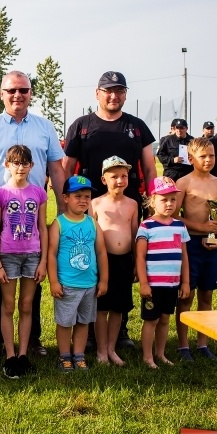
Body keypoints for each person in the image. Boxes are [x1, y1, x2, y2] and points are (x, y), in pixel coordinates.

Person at [0, 70, 66, 358]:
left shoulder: (44, 127)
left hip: (33, 207)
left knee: (30, 275)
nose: (17, 95)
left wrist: (62, 209)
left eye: (23, 90)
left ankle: (32, 339)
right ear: (1, 94)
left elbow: (56, 170)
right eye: (11, 90)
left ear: (30, 93)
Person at [64, 71, 157, 349]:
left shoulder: (137, 126)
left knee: (122, 265)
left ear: (125, 94)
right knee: (90, 265)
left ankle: (121, 330)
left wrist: (152, 205)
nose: (113, 96)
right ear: (97, 93)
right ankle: (90, 330)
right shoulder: (82, 125)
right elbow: (68, 168)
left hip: (128, 206)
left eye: (119, 91)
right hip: (90, 208)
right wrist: (65, 204)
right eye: (108, 91)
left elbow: (150, 167)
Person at [0, 145, 48, 378]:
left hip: (32, 254)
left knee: (26, 306)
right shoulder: (0, 194)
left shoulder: (39, 193)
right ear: (7, 165)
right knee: (8, 306)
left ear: (31, 166)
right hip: (8, 255)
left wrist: (43, 261)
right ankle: (10, 355)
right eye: (16, 163)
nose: (20, 167)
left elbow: (42, 228)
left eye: (25, 163)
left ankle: (23, 354)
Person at [173, 137, 217, 361]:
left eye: (212, 156)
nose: (208, 160)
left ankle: (202, 344)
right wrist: (199, 226)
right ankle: (183, 346)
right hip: (190, 246)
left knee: (206, 295)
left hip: (212, 246)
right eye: (203, 156)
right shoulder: (183, 183)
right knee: (186, 296)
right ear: (191, 159)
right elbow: (174, 216)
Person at [48, 175, 108, 372]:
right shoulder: (59, 224)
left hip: (89, 284)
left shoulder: (92, 223)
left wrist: (103, 280)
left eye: (87, 196)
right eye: (77, 196)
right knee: (65, 323)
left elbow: (100, 252)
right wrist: (54, 281)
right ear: (65, 198)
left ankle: (79, 355)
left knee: (83, 322)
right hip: (67, 285)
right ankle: (65, 356)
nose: (83, 200)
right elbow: (52, 253)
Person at [136, 177, 191, 368]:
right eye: (163, 199)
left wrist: (185, 282)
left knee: (165, 319)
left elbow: (184, 257)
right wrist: (144, 282)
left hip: (172, 283)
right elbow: (140, 257)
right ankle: (147, 356)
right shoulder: (146, 226)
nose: (169, 204)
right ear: (152, 201)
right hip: (153, 285)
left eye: (173, 199)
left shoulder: (179, 226)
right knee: (151, 320)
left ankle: (160, 354)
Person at [90, 156, 138, 366]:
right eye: (114, 177)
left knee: (118, 307)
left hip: (124, 262)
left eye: (124, 176)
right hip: (103, 261)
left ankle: (111, 348)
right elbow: (90, 236)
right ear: (103, 179)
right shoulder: (96, 203)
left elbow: (136, 234)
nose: (120, 180)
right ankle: (101, 350)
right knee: (102, 308)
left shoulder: (133, 204)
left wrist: (136, 262)